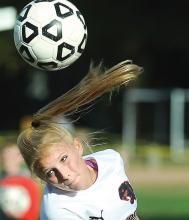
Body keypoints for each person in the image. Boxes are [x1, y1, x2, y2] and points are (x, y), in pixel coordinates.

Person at [17, 60, 142, 220]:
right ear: (41, 178)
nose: (64, 174)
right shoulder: (59, 211)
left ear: (77, 146)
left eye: (63, 159)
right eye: (50, 172)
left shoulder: (111, 160)